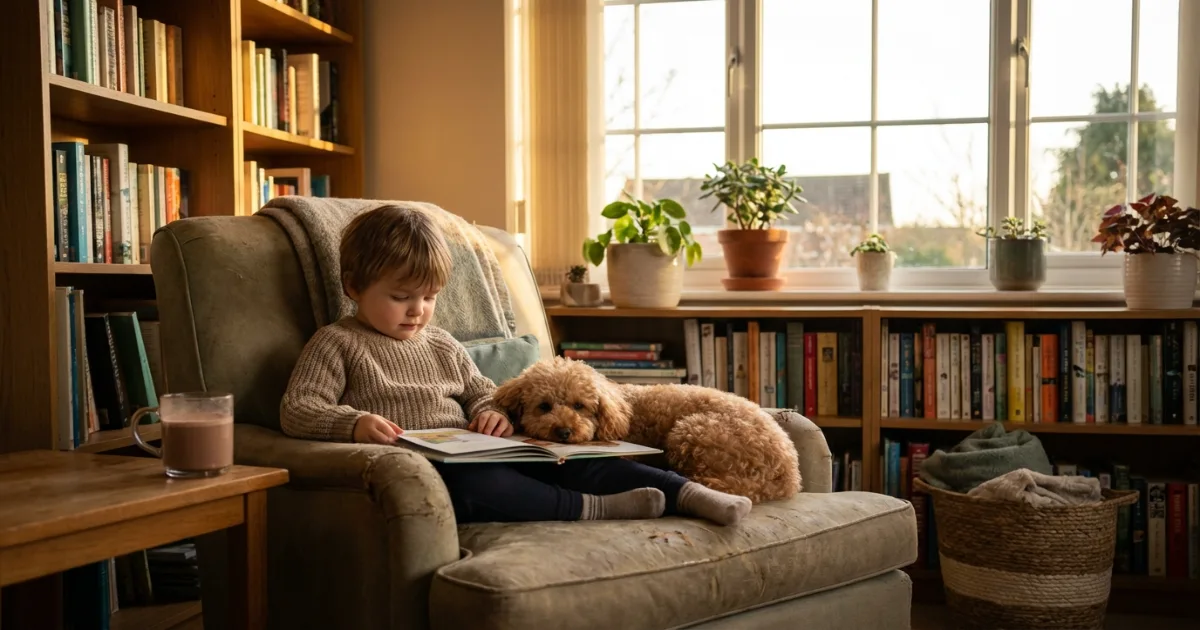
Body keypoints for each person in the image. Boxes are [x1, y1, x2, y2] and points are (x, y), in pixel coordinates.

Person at [280, 205, 751, 525]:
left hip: (482, 450)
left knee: (582, 460)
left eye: (430, 297)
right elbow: (299, 408)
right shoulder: (337, 343)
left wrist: (491, 413)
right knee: (475, 490)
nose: (418, 311)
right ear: (354, 287)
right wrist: (354, 423)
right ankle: (591, 509)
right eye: (401, 297)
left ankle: (688, 493)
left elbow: (481, 392)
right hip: (428, 468)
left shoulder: (441, 343)